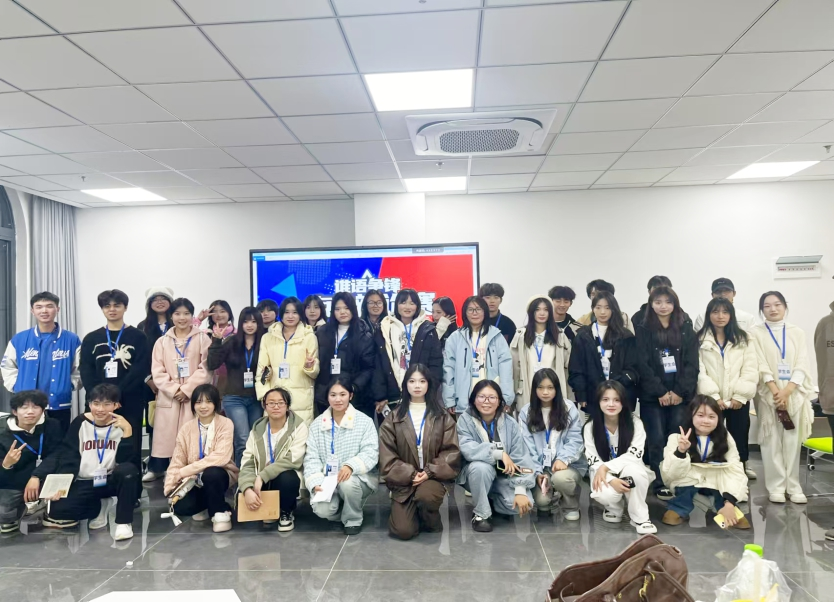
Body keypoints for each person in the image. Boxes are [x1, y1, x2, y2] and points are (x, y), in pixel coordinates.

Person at [41, 384, 139, 540]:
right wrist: (62, 485)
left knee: (128, 471)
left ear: (116, 405)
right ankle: (100, 506)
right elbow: (68, 455)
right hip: (85, 480)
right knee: (58, 511)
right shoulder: (80, 422)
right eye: (96, 403)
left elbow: (127, 461)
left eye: (107, 404)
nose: (100, 409)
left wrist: (127, 432)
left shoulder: (124, 425)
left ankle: (123, 523)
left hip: (111, 479)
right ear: (89, 404)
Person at [379, 364, 460, 540]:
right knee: (403, 531)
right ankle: (411, 512)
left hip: (433, 478)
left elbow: (451, 452)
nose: (417, 386)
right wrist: (410, 474)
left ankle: (429, 515)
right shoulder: (393, 418)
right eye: (412, 381)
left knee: (426, 496)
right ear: (405, 385)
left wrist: (429, 471)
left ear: (429, 384)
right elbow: (387, 456)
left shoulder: (442, 416)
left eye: (422, 381)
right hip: (404, 481)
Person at [749, 291, 814, 504]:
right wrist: (775, 390)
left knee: (792, 440)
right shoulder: (755, 333)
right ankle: (776, 486)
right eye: (767, 306)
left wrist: (788, 391)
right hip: (767, 394)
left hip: (793, 394)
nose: (773, 309)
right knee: (771, 441)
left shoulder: (797, 332)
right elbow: (759, 363)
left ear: (785, 306)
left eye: (777, 304)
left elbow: (802, 363)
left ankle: (793, 486)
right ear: (762, 310)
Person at [635, 286, 699, 500]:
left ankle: (676, 479)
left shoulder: (685, 327)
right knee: (656, 439)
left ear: (675, 304)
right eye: (658, 302)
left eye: (668, 302)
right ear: (651, 304)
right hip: (653, 397)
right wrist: (661, 391)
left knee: (676, 438)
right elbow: (642, 364)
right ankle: (660, 481)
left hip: (681, 396)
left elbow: (692, 363)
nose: (663, 306)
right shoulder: (643, 328)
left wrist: (679, 391)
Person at [79, 289, 150, 468]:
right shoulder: (91, 338)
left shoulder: (138, 337)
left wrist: (116, 396)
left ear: (125, 308)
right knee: (98, 444)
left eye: (117, 305)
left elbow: (140, 369)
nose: (112, 309)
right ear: (102, 309)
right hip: (99, 403)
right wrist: (102, 398)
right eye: (107, 306)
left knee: (131, 444)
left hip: (130, 400)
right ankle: (98, 479)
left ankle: (132, 481)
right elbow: (86, 370)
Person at [145, 298, 212, 482]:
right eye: (177, 314)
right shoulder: (162, 342)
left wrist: (187, 390)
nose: (182, 318)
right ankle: (169, 474)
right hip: (170, 397)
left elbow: (206, 368)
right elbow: (157, 371)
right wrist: (175, 390)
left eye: (186, 313)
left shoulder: (202, 339)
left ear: (192, 315)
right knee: (167, 439)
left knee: (193, 439)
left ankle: (192, 474)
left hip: (193, 397)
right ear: (171, 316)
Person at [660, 395, 750, 529]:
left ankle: (719, 504)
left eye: (711, 416)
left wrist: (730, 503)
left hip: (717, 482)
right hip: (688, 481)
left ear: (718, 418)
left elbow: (735, 469)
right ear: (691, 416)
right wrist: (681, 451)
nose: (706, 421)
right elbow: (670, 474)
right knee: (670, 518)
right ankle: (685, 504)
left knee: (742, 524)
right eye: (700, 415)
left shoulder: (725, 438)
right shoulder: (677, 437)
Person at [456, 380, 534, 532]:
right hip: (476, 474)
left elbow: (520, 456)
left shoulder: (510, 423)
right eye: (481, 397)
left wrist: (520, 489)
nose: (486, 401)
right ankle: (481, 514)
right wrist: (498, 453)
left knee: (522, 505)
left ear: (499, 401)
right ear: (473, 399)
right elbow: (467, 448)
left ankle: (490, 499)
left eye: (492, 397)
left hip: (503, 476)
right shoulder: (464, 420)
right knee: (481, 468)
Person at [304, 376, 379, 535]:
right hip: (327, 479)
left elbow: (371, 451)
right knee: (322, 510)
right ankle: (344, 511)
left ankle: (353, 519)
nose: (338, 399)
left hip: (357, 478)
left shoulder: (364, 421)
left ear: (350, 396)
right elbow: (311, 458)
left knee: (347, 484)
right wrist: (316, 482)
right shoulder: (317, 424)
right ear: (327, 397)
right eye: (333, 395)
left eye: (343, 394)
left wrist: (350, 466)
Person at [696, 297, 759, 480]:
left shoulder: (744, 338)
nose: (720, 316)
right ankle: (712, 473)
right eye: (715, 312)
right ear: (708, 315)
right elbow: (699, 371)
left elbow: (750, 368)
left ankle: (740, 470)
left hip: (737, 399)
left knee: (739, 434)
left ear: (731, 315)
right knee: (712, 435)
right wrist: (713, 397)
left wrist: (740, 396)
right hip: (710, 400)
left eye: (725, 312)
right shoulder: (699, 339)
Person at [1, 292, 81, 433]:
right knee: (27, 442)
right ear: (32, 311)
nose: (44, 311)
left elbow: (79, 369)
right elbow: (8, 367)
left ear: (57, 309)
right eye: (39, 307)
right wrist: (16, 386)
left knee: (58, 441)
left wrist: (69, 385)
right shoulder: (19, 339)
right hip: (27, 406)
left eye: (49, 306)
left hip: (59, 404)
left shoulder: (71, 339)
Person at [584, 380, 656, 534]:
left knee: (635, 474)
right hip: (602, 472)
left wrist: (606, 466)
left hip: (629, 467)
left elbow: (634, 455)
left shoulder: (635, 423)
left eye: (616, 400)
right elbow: (593, 459)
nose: (611, 404)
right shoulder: (590, 427)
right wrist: (610, 478)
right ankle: (613, 508)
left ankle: (641, 518)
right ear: (598, 402)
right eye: (605, 399)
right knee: (605, 494)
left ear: (623, 402)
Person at [164, 384, 238, 532]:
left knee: (212, 473)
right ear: (193, 405)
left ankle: (219, 513)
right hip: (194, 481)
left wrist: (186, 470)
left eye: (208, 401)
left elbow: (221, 457)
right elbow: (177, 460)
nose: (203, 406)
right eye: (198, 402)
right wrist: (170, 487)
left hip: (220, 474)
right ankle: (214, 504)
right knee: (180, 507)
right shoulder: (186, 428)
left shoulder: (225, 423)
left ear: (216, 403)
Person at [518, 369, 585, 520]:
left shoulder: (568, 408)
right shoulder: (526, 411)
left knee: (561, 479)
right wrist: (537, 472)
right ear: (534, 389)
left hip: (567, 465)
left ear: (557, 389)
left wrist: (563, 459)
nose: (545, 392)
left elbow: (575, 440)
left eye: (550, 387)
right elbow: (527, 446)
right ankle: (551, 497)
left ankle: (570, 505)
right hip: (541, 467)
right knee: (542, 502)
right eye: (540, 387)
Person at [239, 387, 308, 532]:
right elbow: (248, 461)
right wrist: (247, 488)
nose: (276, 406)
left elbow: (292, 459)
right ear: (264, 406)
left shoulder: (299, 427)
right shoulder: (257, 429)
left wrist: (263, 475)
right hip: (260, 483)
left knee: (288, 477)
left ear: (287, 406)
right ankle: (268, 508)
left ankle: (286, 512)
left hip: (282, 478)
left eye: (280, 403)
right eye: (271, 403)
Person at [208, 307, 265, 466]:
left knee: (256, 438)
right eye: (246, 322)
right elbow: (212, 364)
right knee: (242, 439)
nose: (249, 325)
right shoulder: (232, 342)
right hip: (234, 398)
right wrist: (216, 341)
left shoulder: (264, 342)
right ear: (240, 323)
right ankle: (242, 475)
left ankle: (255, 473)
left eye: (253, 321)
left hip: (257, 398)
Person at [0, 390, 64, 533]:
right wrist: (6, 464)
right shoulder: (3, 433)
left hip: (44, 476)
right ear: (15, 411)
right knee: (3, 515)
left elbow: (57, 454)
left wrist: (36, 476)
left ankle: (43, 506)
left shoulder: (52, 425)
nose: (30, 412)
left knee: (66, 507)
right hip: (14, 481)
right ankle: (23, 508)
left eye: (35, 407)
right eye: (24, 407)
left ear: (43, 410)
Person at [375, 289, 443, 416]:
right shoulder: (384, 328)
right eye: (403, 302)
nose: (407, 307)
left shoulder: (427, 329)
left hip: (421, 394)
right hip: (392, 395)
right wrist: (381, 395)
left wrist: (430, 389)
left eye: (412, 303)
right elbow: (378, 363)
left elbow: (436, 363)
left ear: (417, 306)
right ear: (396, 305)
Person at [569, 291, 640, 411]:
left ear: (613, 309)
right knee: (594, 423)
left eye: (607, 308)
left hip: (621, 394)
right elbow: (576, 368)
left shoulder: (625, 335)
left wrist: (618, 383)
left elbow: (633, 367)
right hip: (593, 394)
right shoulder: (583, 335)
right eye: (598, 307)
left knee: (622, 423)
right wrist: (581, 393)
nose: (602, 312)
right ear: (593, 309)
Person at [443, 296, 513, 414]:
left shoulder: (496, 336)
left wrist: (506, 397)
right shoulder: (455, 338)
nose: (474, 313)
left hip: (491, 399)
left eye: (478, 309)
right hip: (464, 399)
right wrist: (449, 399)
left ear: (485, 312)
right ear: (465, 313)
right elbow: (448, 369)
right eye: (470, 309)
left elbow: (506, 368)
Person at [257, 297, 319, 425]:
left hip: (301, 401)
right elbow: (261, 372)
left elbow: (315, 373)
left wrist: (309, 366)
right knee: (275, 436)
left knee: (300, 436)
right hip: (275, 401)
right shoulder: (268, 338)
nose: (290, 316)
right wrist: (265, 397)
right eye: (286, 312)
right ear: (281, 314)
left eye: (295, 312)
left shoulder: (309, 337)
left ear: (300, 314)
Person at [313, 293, 376, 417]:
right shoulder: (322, 332)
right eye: (337, 309)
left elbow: (369, 368)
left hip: (355, 397)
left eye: (346, 308)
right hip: (325, 395)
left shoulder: (364, 335)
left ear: (353, 309)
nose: (342, 312)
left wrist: (353, 387)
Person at [510, 296, 571, 409]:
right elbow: (514, 368)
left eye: (546, 310)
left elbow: (567, 366)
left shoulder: (559, 335)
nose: (542, 313)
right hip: (528, 386)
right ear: (531, 312)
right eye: (537, 309)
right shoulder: (521, 336)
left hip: (553, 387)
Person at [137, 286, 174, 451]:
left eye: (163, 298)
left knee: (177, 420)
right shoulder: (142, 326)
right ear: (149, 304)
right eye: (155, 299)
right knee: (155, 421)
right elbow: (140, 357)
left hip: (177, 381)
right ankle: (156, 460)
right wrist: (149, 379)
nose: (159, 302)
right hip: (152, 383)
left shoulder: (177, 323)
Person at [197, 300, 234, 395]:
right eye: (215, 312)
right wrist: (199, 320)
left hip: (232, 381)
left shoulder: (237, 334)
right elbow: (187, 335)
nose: (219, 315)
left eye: (222, 311)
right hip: (209, 379)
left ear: (229, 313)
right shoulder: (205, 334)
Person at [694, 278, 760, 332]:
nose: (723, 294)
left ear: (734, 293)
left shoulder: (747, 318)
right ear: (712, 295)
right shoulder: (702, 318)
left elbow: (753, 341)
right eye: (718, 291)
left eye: (727, 291)